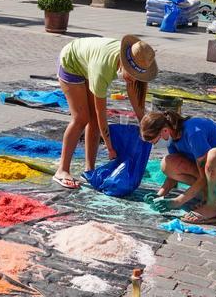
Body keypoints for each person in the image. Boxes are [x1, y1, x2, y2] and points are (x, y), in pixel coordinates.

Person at [53, 35, 158, 189]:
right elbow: (101, 113)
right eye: (131, 74)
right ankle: (61, 170)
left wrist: (145, 125)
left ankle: (89, 170)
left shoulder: (134, 59)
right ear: (124, 63)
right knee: (81, 118)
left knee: (93, 120)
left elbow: (136, 98)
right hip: (71, 62)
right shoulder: (102, 69)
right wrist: (109, 147)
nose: (132, 79)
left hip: (87, 62)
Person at [139, 110, 216, 226]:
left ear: (165, 130)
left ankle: (211, 209)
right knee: (168, 163)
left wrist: (177, 202)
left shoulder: (193, 132)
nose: (155, 146)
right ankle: (209, 198)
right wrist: (160, 194)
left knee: (215, 155)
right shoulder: (173, 137)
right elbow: (174, 174)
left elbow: (205, 175)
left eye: (154, 142)